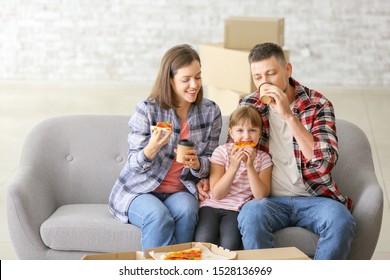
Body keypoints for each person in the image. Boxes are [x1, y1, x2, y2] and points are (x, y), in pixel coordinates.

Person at [236, 42, 356, 259]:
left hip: (315, 198)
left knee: (341, 220)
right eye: (258, 77)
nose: (265, 82)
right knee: (251, 215)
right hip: (268, 200)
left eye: (271, 74)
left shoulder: (318, 104)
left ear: (288, 70)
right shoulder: (249, 105)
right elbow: (234, 153)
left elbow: (324, 163)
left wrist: (289, 117)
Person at [108, 44, 222, 251]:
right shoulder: (147, 110)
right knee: (157, 215)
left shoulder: (210, 111)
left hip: (180, 189)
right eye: (185, 79)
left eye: (197, 77)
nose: (194, 85)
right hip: (141, 189)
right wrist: (151, 148)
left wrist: (198, 164)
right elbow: (134, 165)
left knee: (188, 210)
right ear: (170, 80)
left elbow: (212, 161)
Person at [194, 105, 272, 250]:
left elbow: (260, 195)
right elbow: (217, 193)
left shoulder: (264, 159)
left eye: (252, 130)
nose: (247, 136)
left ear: (260, 134)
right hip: (211, 206)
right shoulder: (221, 152)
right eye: (240, 130)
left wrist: (250, 166)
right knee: (203, 241)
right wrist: (234, 167)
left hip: (236, 210)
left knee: (230, 245)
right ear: (231, 133)